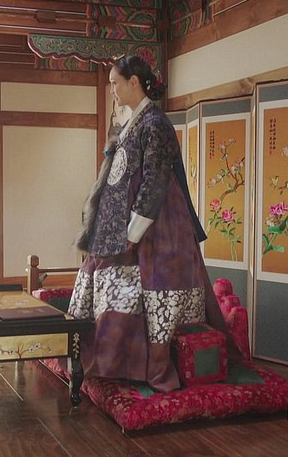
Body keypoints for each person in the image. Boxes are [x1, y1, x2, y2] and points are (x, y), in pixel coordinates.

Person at [69, 55, 240, 393]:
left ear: (134, 82)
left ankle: (148, 365)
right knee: (114, 291)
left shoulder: (156, 123)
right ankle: (114, 362)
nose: (112, 90)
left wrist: (134, 232)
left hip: (159, 228)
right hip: (121, 226)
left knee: (153, 293)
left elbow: (155, 181)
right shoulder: (131, 124)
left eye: (115, 83)